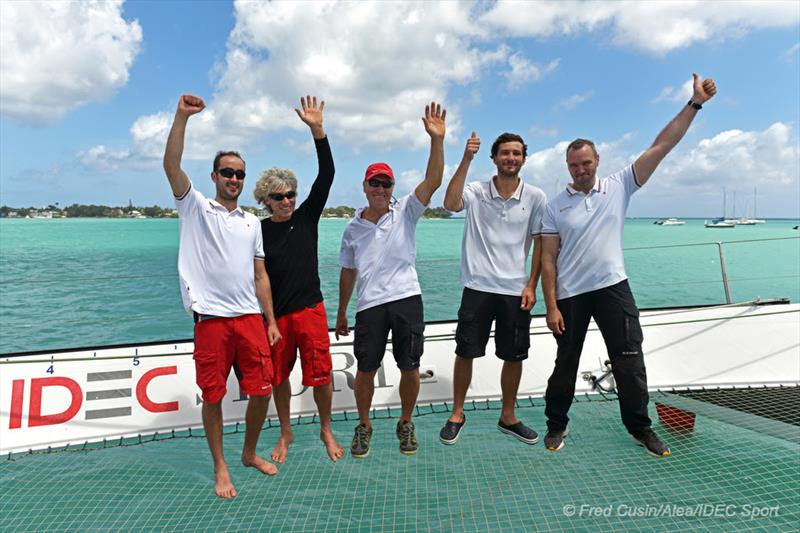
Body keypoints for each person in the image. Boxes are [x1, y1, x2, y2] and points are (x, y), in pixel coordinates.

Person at [540, 73, 717, 457]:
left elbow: (662, 145)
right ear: (567, 166)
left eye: (585, 163)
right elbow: (548, 258)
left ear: (597, 160)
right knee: (565, 362)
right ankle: (556, 425)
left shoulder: (620, 184)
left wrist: (694, 104)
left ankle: (640, 428)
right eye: (573, 165)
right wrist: (550, 305)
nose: (580, 170)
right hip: (570, 295)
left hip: (612, 287)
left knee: (630, 362)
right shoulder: (555, 206)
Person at [163, 93, 282, 498]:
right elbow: (171, 166)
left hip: (250, 318)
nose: (234, 179)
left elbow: (260, 274)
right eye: (227, 172)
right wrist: (182, 117)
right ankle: (221, 466)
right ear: (214, 176)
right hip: (211, 320)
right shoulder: (195, 208)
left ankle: (249, 453)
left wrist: (271, 320)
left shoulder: (252, 222)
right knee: (212, 397)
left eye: (240, 174)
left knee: (263, 390)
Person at [335, 102, 446, 458]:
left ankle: (406, 421)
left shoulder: (406, 212)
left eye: (386, 183)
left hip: (406, 298)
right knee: (365, 369)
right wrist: (340, 312)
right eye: (375, 183)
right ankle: (364, 424)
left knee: (409, 366)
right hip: (368, 306)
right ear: (365, 186)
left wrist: (436, 141)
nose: (380, 188)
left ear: (392, 187)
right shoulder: (352, 228)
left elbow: (433, 181)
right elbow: (348, 271)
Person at [439, 132, 548, 446]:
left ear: (523, 158)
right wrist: (466, 158)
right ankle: (458, 413)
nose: (510, 158)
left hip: (516, 290)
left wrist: (532, 285)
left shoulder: (536, 197)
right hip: (477, 286)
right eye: (504, 153)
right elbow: (449, 204)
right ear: (494, 158)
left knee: (514, 355)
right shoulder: (477, 190)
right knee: (465, 351)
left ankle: (508, 416)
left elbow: (540, 244)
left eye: (516, 153)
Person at [253, 96, 344, 463]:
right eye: (279, 196)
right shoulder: (257, 231)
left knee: (321, 376)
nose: (287, 200)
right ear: (266, 200)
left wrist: (318, 131)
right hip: (277, 319)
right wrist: (269, 321)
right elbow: (257, 279)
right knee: (277, 378)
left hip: (311, 310)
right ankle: (286, 430)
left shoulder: (306, 218)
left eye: (291, 194)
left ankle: (325, 427)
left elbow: (327, 176)